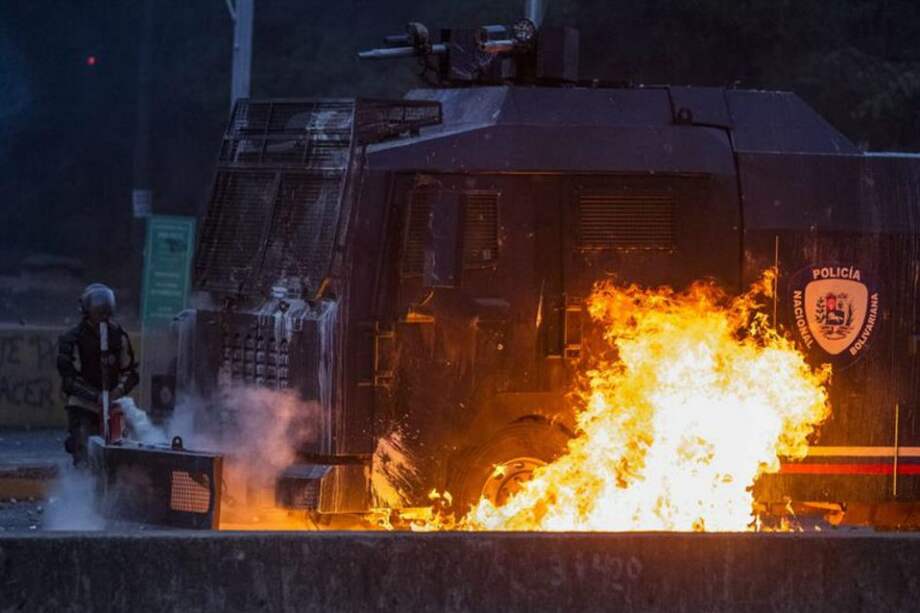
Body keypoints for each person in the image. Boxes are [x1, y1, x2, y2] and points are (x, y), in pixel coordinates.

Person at [57, 283, 139, 467]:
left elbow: (130, 371)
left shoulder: (118, 336)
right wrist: (96, 397)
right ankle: (82, 488)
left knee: (119, 452)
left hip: (113, 404)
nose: (103, 318)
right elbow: (69, 379)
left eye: (106, 313)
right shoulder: (73, 339)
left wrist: (116, 392)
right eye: (98, 313)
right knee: (84, 448)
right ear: (87, 311)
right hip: (83, 405)